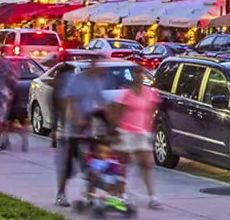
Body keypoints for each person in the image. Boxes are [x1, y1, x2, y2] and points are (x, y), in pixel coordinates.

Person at [56, 62, 111, 207]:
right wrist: (77, 119)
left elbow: (101, 103)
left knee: (92, 164)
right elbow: (71, 102)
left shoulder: (96, 82)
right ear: (93, 66)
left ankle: (90, 195)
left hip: (88, 128)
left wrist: (108, 123)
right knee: (70, 165)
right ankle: (61, 194)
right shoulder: (77, 80)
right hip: (73, 130)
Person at [110, 64, 162, 209]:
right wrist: (115, 130)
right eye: (136, 73)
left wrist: (150, 128)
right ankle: (122, 194)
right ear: (132, 76)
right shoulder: (126, 93)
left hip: (142, 132)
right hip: (127, 131)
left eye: (141, 73)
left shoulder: (148, 93)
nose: (139, 76)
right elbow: (117, 111)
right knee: (124, 164)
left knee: (146, 163)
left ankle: (153, 196)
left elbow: (153, 110)